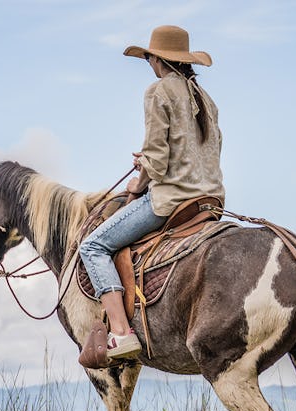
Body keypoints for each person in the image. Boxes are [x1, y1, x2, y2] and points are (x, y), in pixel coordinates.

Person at [79, 25, 225, 360]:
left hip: (172, 199)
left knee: (94, 245)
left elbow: (158, 163)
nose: (149, 63)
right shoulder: (205, 98)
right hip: (211, 199)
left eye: (149, 57)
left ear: (158, 59)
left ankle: (120, 332)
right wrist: (149, 160)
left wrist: (139, 178)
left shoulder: (158, 91)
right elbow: (203, 151)